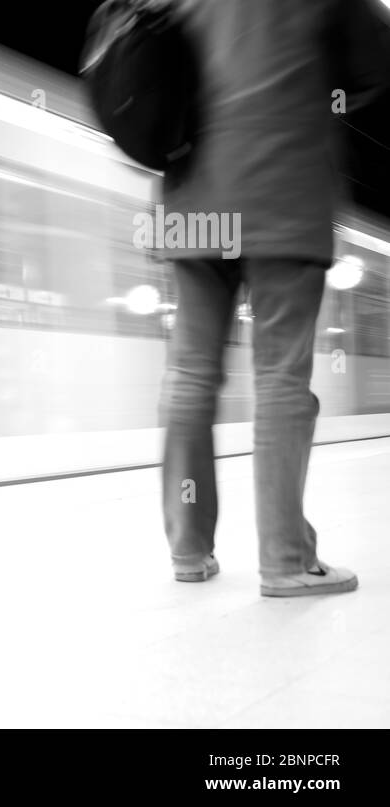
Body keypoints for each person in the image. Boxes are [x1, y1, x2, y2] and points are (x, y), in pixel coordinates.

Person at [159, 0, 389, 596]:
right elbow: (374, 67)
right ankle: (285, 558)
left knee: (188, 377)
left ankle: (188, 548)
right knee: (281, 378)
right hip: (283, 193)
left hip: (191, 204)